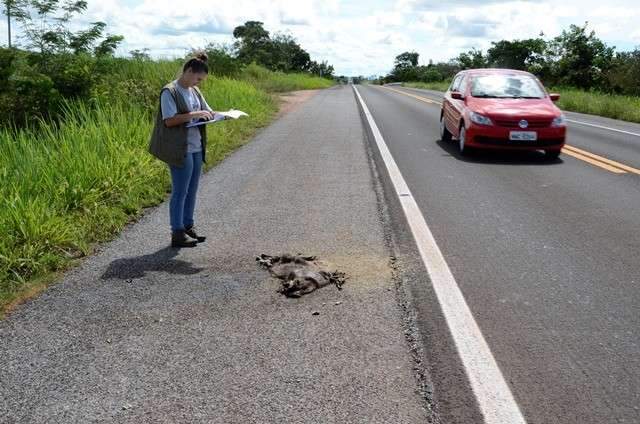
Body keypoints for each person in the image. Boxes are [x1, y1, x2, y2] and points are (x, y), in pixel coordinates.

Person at [148, 52, 221, 248]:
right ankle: (177, 232)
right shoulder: (169, 92)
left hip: (196, 146)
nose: (199, 83)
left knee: (192, 190)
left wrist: (220, 115)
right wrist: (196, 114)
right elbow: (170, 120)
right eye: (198, 78)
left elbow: (207, 111)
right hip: (180, 148)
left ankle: (188, 226)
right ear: (189, 71)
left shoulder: (195, 91)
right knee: (180, 191)